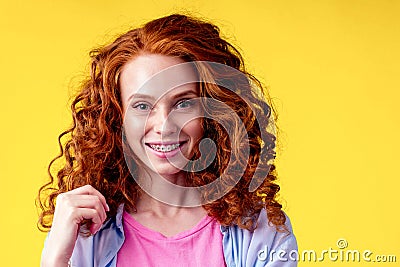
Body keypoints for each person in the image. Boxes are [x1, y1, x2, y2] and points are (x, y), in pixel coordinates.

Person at [38, 13, 298, 267]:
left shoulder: (260, 229)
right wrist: (54, 260)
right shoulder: (84, 233)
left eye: (183, 102)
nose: (164, 126)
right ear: (116, 118)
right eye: (141, 105)